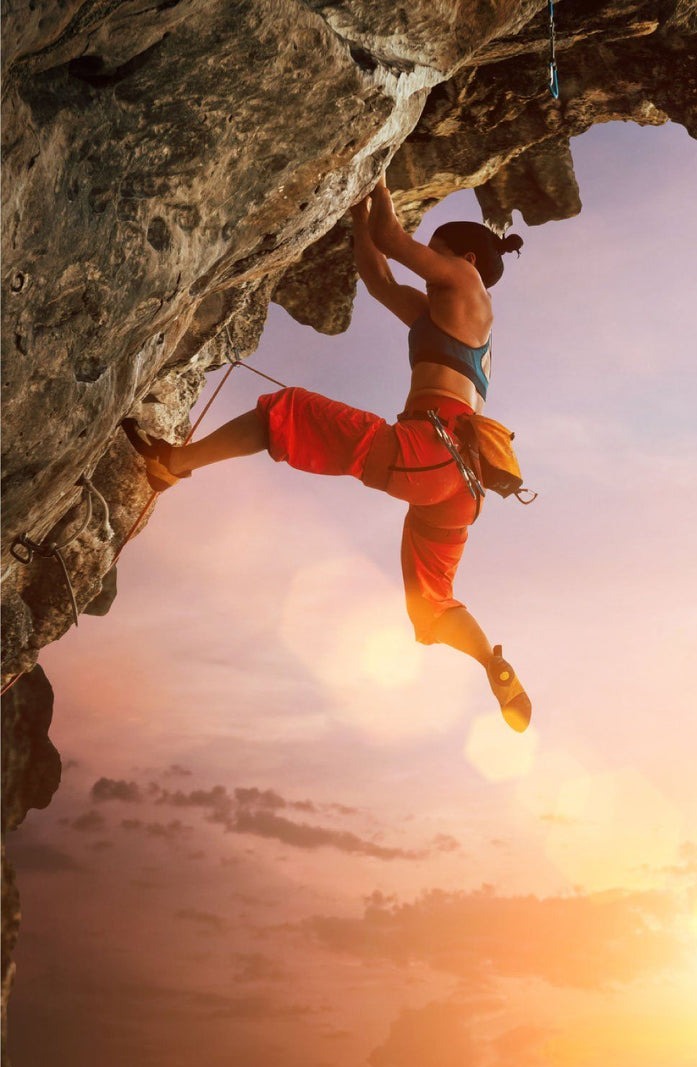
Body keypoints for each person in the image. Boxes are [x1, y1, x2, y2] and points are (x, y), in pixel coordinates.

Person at [122, 178, 531, 732]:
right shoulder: (458, 324)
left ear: (464, 257)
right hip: (463, 489)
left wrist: (381, 179)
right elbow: (380, 278)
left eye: (434, 251)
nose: (429, 260)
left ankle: (173, 464)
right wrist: (359, 221)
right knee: (433, 602)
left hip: (429, 454)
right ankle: (491, 662)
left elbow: (391, 239)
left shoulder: (465, 280)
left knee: (285, 413)